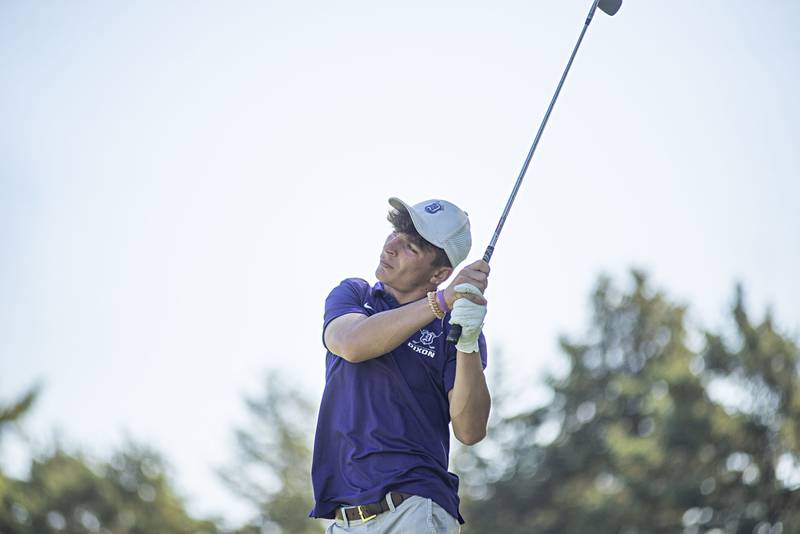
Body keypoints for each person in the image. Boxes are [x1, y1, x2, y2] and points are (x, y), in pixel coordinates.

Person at [309, 197, 491, 533]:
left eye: (409, 246)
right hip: (343, 520)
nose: (391, 246)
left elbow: (470, 430)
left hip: (414, 509)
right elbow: (351, 344)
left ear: (440, 273)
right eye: (395, 233)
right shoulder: (355, 294)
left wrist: (466, 343)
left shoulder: (452, 328)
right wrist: (442, 301)